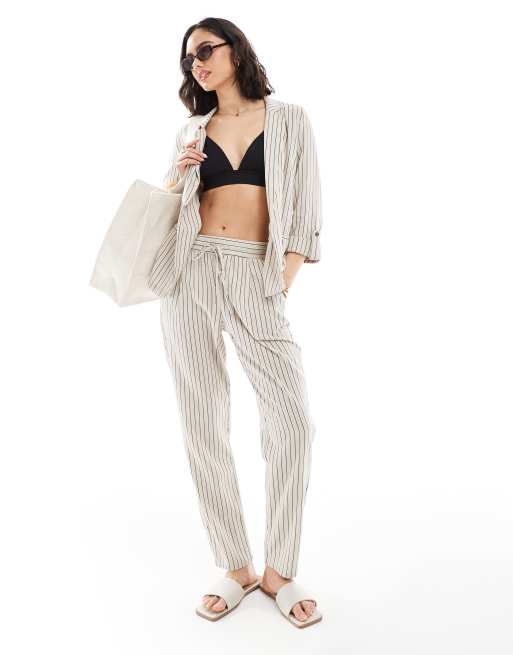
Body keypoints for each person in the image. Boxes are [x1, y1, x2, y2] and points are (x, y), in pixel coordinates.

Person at [150, 17, 323, 626]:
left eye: (205, 50)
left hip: (255, 273)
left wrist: (278, 285)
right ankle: (235, 564)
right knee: (203, 420)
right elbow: (169, 209)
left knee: (292, 423)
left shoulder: (290, 120)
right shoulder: (192, 128)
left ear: (235, 49)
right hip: (190, 273)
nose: (196, 63)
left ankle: (281, 569)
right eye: (187, 58)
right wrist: (178, 173)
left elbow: (306, 212)